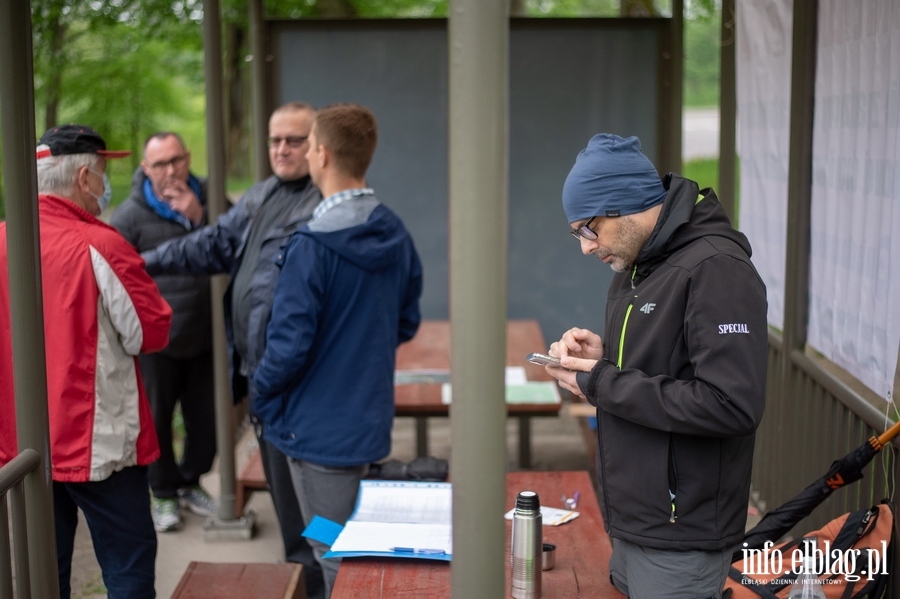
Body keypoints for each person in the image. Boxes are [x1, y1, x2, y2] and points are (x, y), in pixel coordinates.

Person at [545, 134, 767, 599]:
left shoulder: (717, 269)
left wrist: (602, 382)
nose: (586, 248)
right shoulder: (639, 264)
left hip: (682, 530)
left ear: (623, 205)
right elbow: (667, 366)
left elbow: (730, 405)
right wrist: (601, 358)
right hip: (634, 517)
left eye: (588, 229)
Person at [140, 102, 325, 597]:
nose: (282, 149)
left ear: (319, 144)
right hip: (264, 382)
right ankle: (307, 582)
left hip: (302, 387)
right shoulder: (263, 194)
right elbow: (213, 244)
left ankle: (327, 583)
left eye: (294, 139)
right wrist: (141, 262)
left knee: (320, 509)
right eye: (274, 140)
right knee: (288, 505)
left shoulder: (325, 203)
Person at [252, 103, 422, 597]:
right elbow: (405, 321)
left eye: (304, 145)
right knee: (352, 544)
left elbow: (286, 349)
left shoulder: (311, 246)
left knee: (333, 549)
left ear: (321, 154)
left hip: (314, 431)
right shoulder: (395, 232)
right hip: (366, 420)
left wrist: (261, 395)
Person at [0, 124, 172, 598]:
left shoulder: (1, 240)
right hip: (100, 444)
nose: (104, 183)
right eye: (101, 173)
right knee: (128, 565)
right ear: (82, 178)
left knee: (43, 571)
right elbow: (151, 332)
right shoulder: (103, 244)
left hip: (23, 445)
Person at [110, 132, 217, 532]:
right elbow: (116, 274)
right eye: (160, 164)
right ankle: (164, 494)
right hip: (156, 341)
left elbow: (240, 241)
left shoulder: (211, 195)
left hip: (207, 335)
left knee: (207, 423)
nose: (170, 171)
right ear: (145, 169)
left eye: (176, 160)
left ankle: (190, 482)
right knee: (156, 422)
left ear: (188, 158)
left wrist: (200, 216)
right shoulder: (129, 215)